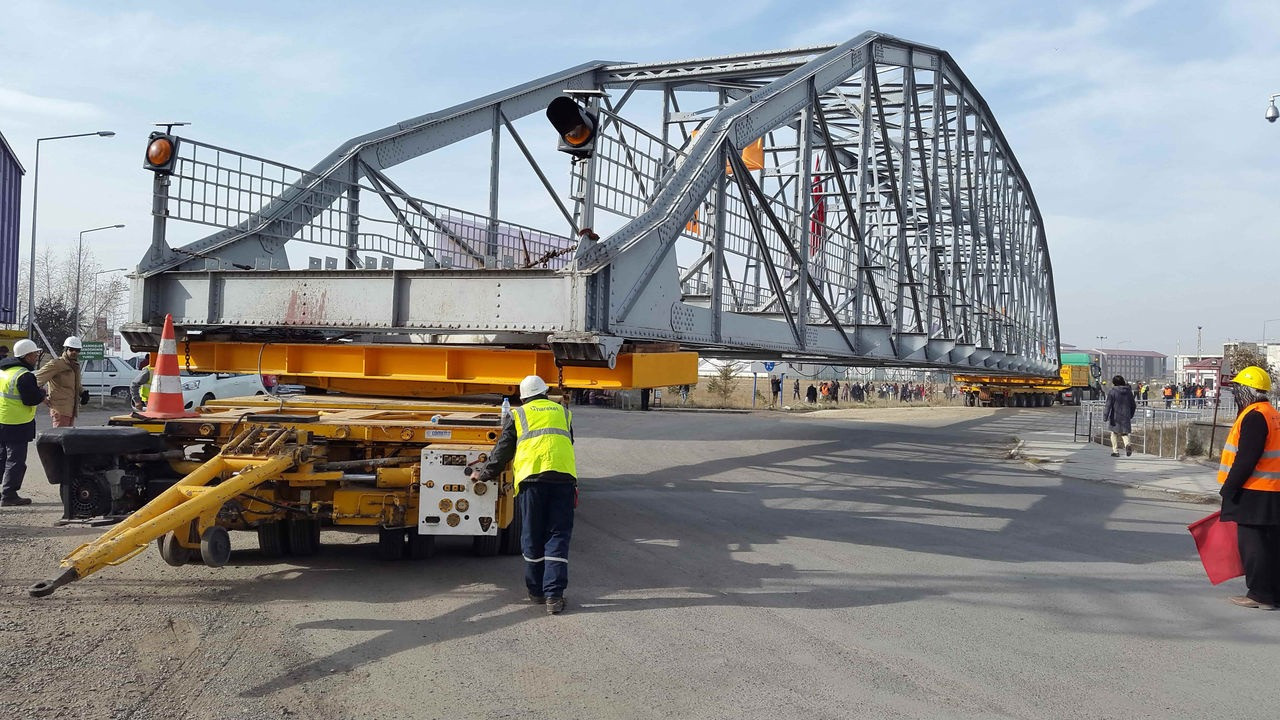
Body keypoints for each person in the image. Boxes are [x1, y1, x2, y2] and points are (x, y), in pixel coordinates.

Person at [475, 376, 577, 615]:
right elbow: (567, 442)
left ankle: (537, 592)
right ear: (545, 392)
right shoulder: (563, 412)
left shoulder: (519, 414)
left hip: (532, 481)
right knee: (557, 536)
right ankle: (554, 596)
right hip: (563, 479)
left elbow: (503, 450)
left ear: (523, 397)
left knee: (532, 534)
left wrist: (484, 475)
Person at [1217, 366, 1280, 610]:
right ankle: (1272, 593)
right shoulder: (1272, 413)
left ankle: (1259, 594)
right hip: (1272, 490)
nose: (1234, 394)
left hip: (1254, 490)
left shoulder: (1254, 416)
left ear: (1247, 391)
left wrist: (1229, 489)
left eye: (1237, 389)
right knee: (1271, 544)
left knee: (1253, 545)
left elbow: (1246, 458)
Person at [1, 340, 48, 506]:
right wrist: (42, 394)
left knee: (2, 457)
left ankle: (4, 490)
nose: (36, 357)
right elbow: (30, 399)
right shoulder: (24, 375)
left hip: (2, 420)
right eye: (34, 354)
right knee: (15, 460)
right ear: (27, 356)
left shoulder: (4, 371)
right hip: (17, 423)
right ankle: (9, 494)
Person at [34, 336, 87, 427]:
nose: (74, 352)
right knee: (59, 438)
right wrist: (42, 397)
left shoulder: (74, 365)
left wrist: (83, 392)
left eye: (77, 350)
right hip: (60, 409)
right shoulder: (56, 364)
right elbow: (36, 380)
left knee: (67, 439)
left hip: (71, 409)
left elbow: (75, 383)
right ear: (66, 349)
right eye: (71, 349)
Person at [1102, 374, 1136, 458]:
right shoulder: (1128, 391)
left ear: (1114, 383)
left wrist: (1105, 416)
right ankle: (1127, 445)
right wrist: (1130, 415)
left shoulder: (1113, 392)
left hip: (1115, 416)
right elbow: (1133, 405)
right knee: (1124, 433)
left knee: (1114, 433)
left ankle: (1115, 451)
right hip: (1126, 416)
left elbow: (1108, 405)